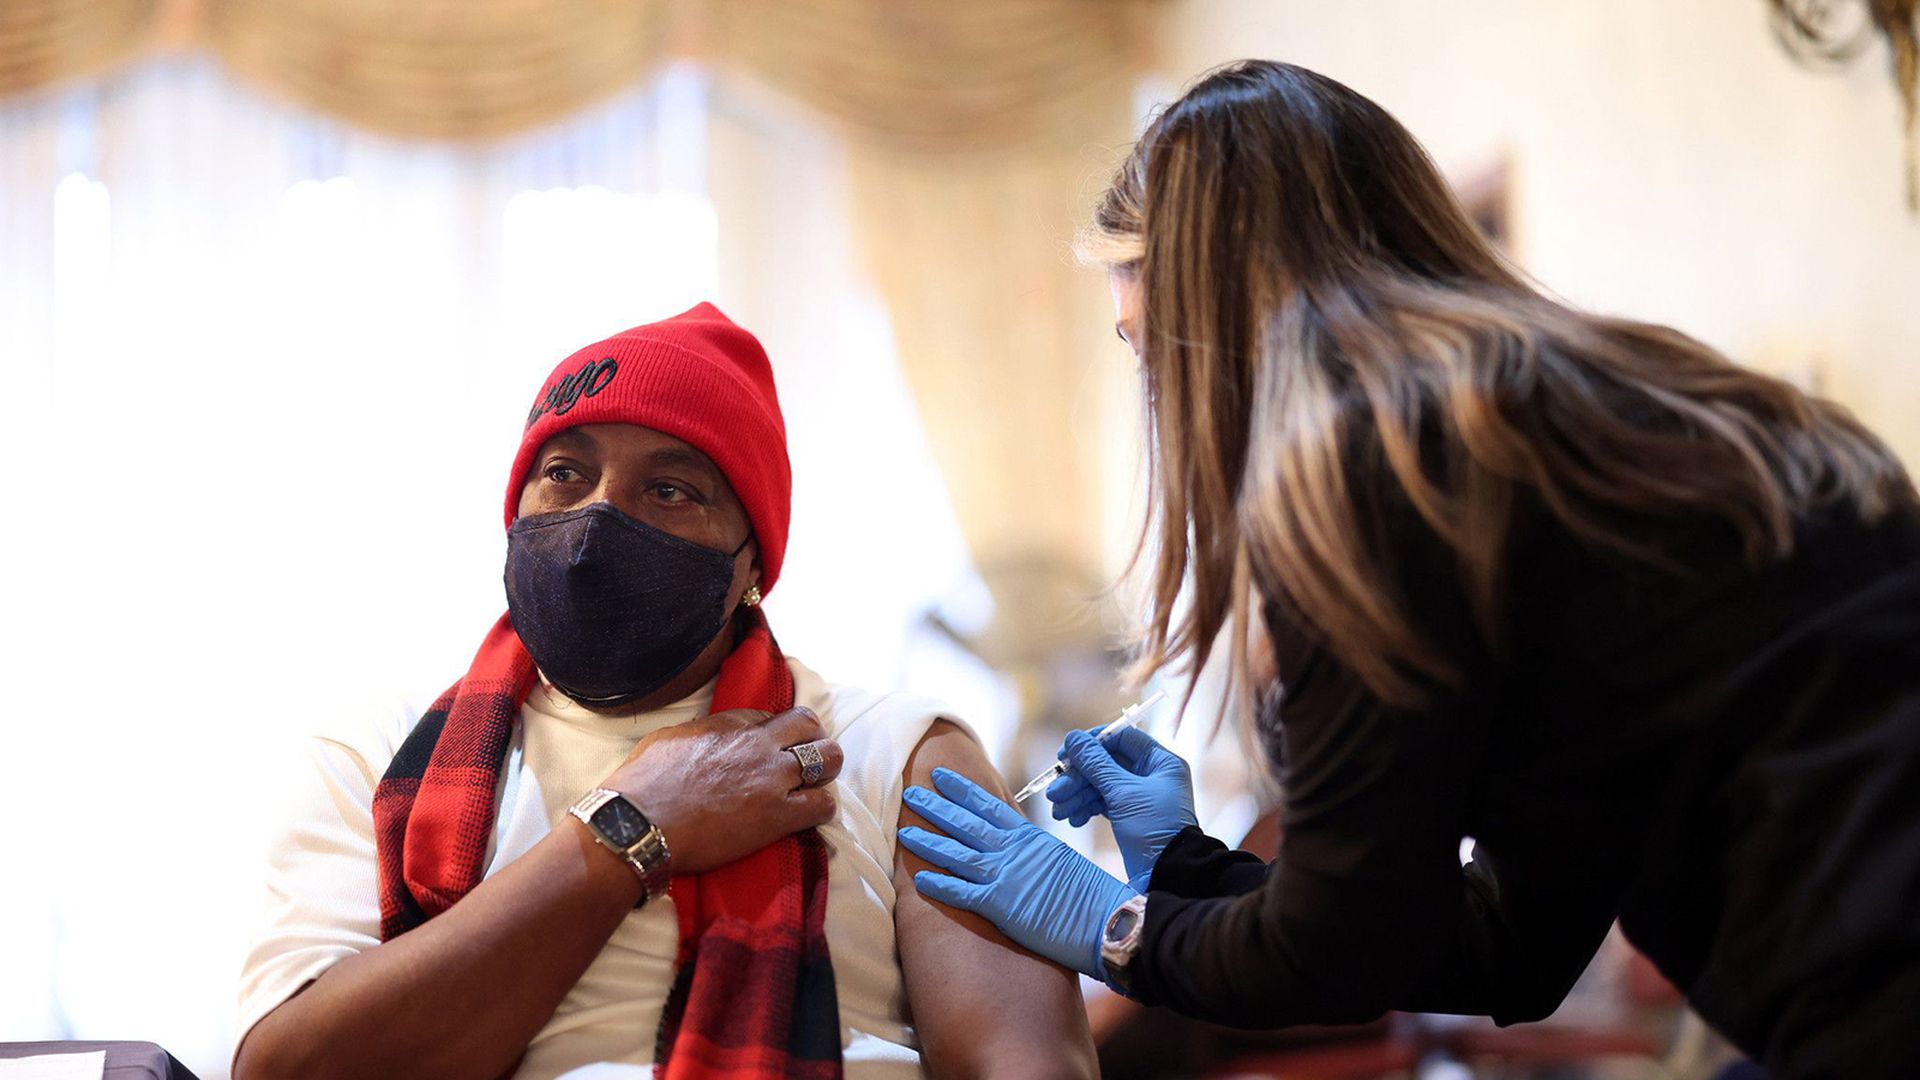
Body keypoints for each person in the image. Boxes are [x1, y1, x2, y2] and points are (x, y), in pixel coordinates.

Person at [899, 60, 1920, 1079]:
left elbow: (1335, 948)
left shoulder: (1380, 466)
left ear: (1214, 317)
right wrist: (1181, 869)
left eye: (1145, 347)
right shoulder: (1626, 400)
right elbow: (1506, 948)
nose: (1157, 395)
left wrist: (1112, 926)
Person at [234, 303, 1096, 1080]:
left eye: (671, 489)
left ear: (751, 563)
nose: (601, 519)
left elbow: (1022, 1062)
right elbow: (288, 1067)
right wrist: (629, 829)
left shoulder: (893, 750)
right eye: (565, 473)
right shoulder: (375, 755)